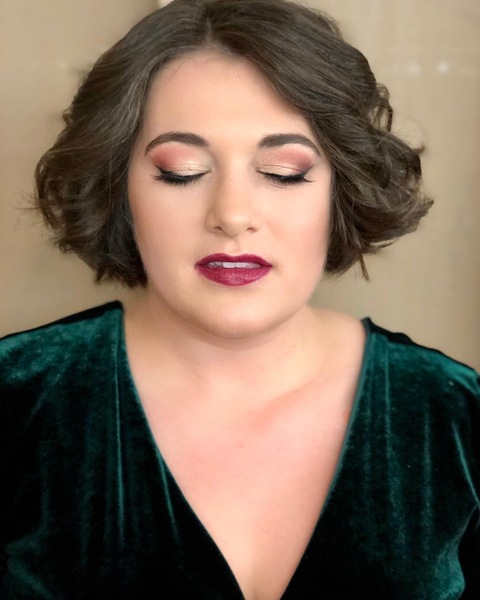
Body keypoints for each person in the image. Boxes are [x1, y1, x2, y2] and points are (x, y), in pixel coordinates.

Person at [1, 0, 478, 598]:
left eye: (283, 171)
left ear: (341, 190)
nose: (231, 214)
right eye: (181, 171)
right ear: (119, 190)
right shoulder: (18, 398)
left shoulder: (454, 412)